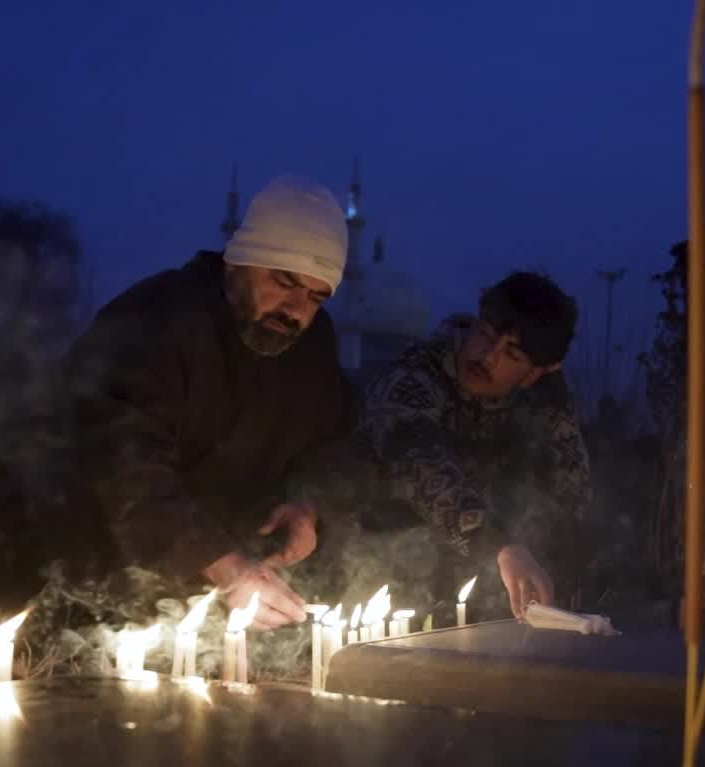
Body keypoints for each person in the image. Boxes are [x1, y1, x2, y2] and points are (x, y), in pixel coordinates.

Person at [56, 175, 356, 630]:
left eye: (315, 297)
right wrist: (221, 562)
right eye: (284, 282)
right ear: (238, 261)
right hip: (103, 590)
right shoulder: (152, 320)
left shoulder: (313, 343)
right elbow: (118, 463)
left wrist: (307, 507)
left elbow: (333, 444)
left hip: (231, 597)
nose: (296, 310)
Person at [361, 271, 590, 618]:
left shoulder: (533, 399)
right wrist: (499, 545)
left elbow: (570, 494)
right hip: (379, 572)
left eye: (512, 354)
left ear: (533, 373)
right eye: (485, 335)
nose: (488, 357)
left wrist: (553, 393)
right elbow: (421, 464)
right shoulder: (415, 376)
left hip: (474, 591)